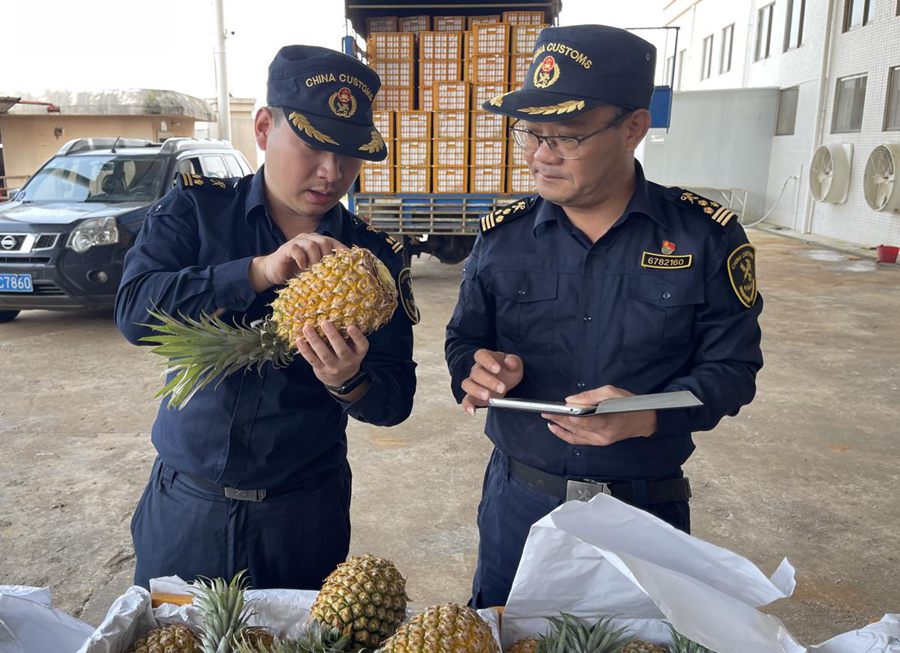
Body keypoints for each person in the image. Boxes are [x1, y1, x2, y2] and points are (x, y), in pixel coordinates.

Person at [445, 25, 763, 609]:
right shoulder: (504, 235)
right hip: (521, 505)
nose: (542, 155)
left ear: (634, 128)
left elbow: (733, 369)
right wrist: (477, 369)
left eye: (566, 136)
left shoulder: (704, 237)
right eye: (532, 134)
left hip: (643, 510)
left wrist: (647, 415)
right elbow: (465, 338)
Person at [115, 45, 418, 590]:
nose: (333, 172)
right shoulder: (196, 212)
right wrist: (252, 273)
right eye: (313, 146)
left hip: (303, 515)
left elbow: (395, 401)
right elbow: (135, 312)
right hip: (188, 505)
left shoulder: (374, 261)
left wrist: (349, 381)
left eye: (350, 154)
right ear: (262, 127)